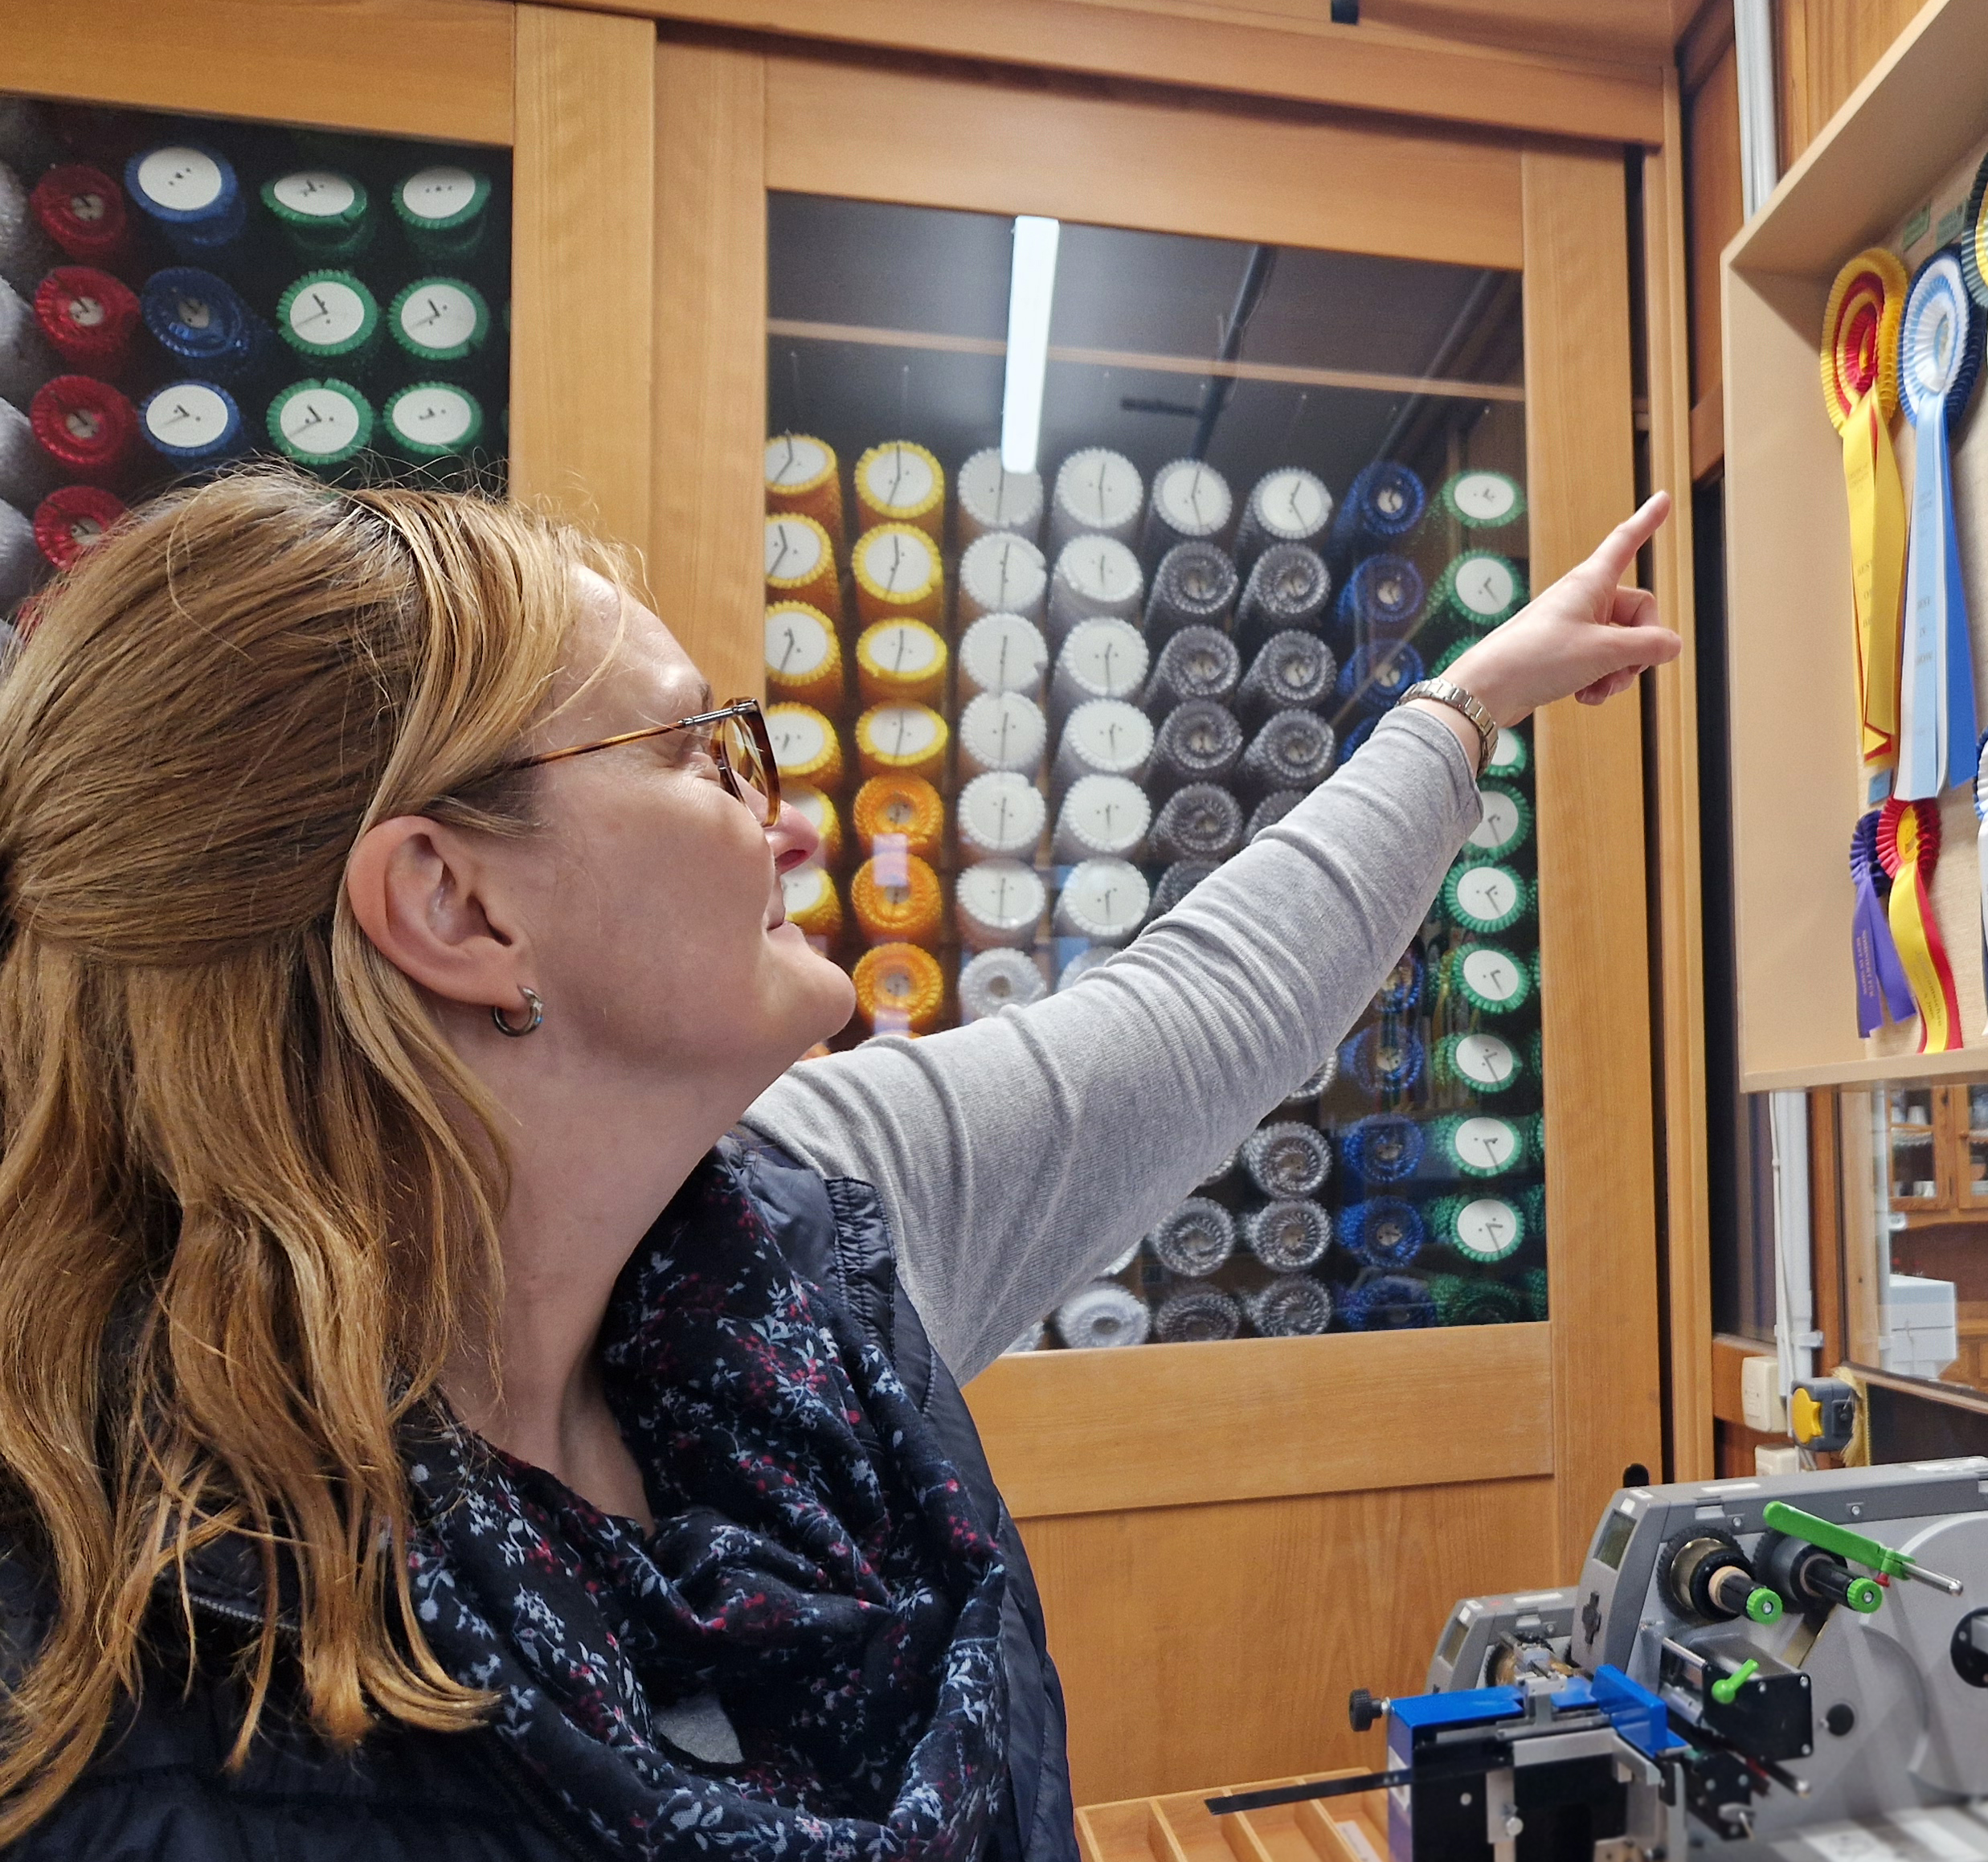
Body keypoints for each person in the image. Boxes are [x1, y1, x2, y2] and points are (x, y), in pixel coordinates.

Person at [0, 471, 1680, 1858]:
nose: (791, 820)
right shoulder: (115, 1700)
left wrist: (1474, 698)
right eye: (697, 751)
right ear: (455, 904)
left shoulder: (796, 1236)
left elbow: (1201, 1011)